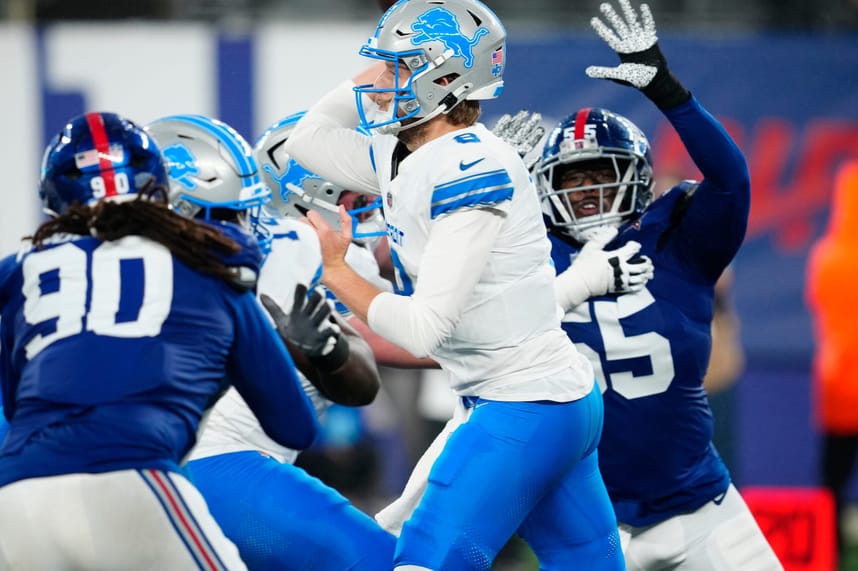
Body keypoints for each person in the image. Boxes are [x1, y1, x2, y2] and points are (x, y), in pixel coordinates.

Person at [283, 0, 625, 569]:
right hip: (540, 395)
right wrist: (383, 58)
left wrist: (338, 271)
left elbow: (422, 330)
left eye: (396, 68)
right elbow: (306, 139)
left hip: (524, 401)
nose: (376, 82)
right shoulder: (409, 154)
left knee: (422, 560)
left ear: (444, 79)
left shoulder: (468, 169)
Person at [0, 111, 318, 569]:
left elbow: (15, 408)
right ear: (160, 189)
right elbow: (295, 427)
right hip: (132, 477)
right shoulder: (209, 262)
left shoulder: (24, 270)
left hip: (18, 495)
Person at [532, 1, 782, 568]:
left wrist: (669, 91)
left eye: (603, 172)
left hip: (699, 506)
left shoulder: (678, 243)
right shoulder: (526, 257)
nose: (590, 191)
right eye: (573, 178)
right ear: (544, 189)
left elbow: (731, 178)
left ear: (639, 179)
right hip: (586, 521)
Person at [145, 113, 398, 570]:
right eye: (219, 216)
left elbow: (364, 378)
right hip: (211, 462)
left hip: (156, 471)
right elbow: (418, 341)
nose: (237, 231)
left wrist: (328, 348)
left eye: (245, 211)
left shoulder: (293, 245)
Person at [806, 159, 858, 559]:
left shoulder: (826, 256)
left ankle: (832, 552)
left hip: (838, 386)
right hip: (840, 385)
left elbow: (818, 305)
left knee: (833, 481)